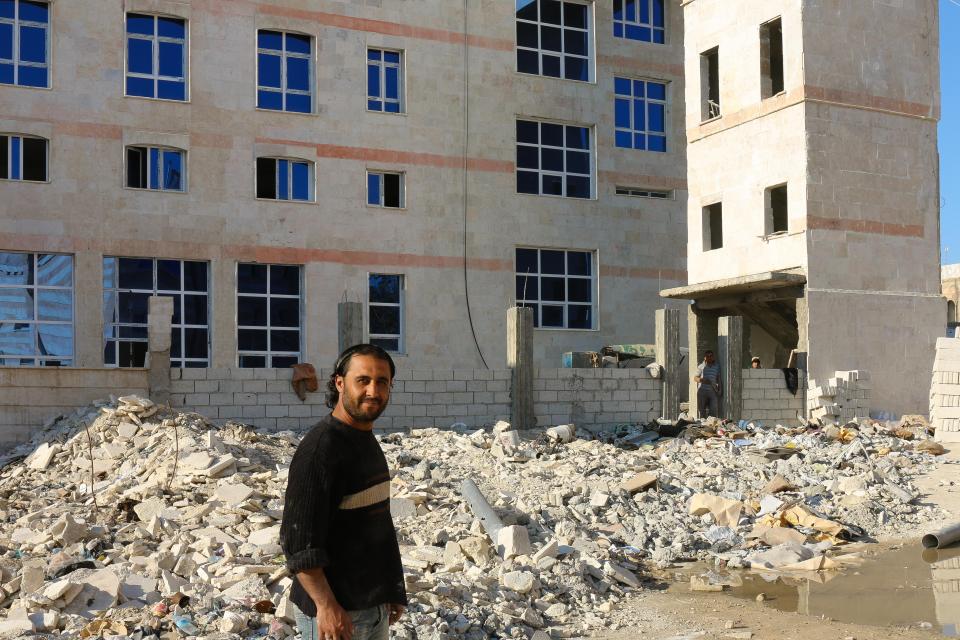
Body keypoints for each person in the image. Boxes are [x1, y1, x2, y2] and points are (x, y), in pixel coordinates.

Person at [281, 344, 407, 640]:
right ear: (340, 383)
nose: (373, 391)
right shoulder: (320, 450)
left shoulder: (364, 438)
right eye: (362, 380)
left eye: (382, 382)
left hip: (372, 606)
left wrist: (391, 588)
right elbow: (298, 543)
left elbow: (376, 525)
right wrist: (327, 607)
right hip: (337, 615)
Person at [694, 350, 722, 419]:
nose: (709, 357)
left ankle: (711, 426)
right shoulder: (701, 367)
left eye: (711, 356)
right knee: (702, 411)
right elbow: (695, 378)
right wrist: (703, 380)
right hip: (702, 392)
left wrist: (720, 390)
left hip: (713, 391)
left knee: (713, 412)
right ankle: (702, 427)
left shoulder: (717, 366)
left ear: (713, 357)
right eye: (707, 356)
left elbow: (718, 378)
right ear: (705, 358)